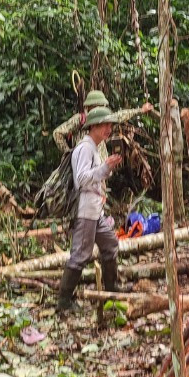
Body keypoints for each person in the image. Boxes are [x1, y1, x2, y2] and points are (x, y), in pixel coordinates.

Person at [57, 107, 122, 313]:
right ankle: (64, 302)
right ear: (93, 126)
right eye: (105, 125)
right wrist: (105, 168)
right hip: (86, 212)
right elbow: (82, 180)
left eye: (110, 125)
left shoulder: (94, 147)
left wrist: (107, 167)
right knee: (80, 254)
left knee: (110, 245)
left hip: (96, 211)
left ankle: (112, 290)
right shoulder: (84, 148)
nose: (109, 129)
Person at [52, 89, 153, 155]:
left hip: (100, 164)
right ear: (89, 106)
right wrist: (68, 152)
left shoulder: (105, 117)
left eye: (102, 106)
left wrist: (140, 110)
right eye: (97, 106)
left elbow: (120, 115)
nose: (100, 108)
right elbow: (57, 133)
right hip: (83, 161)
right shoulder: (80, 119)